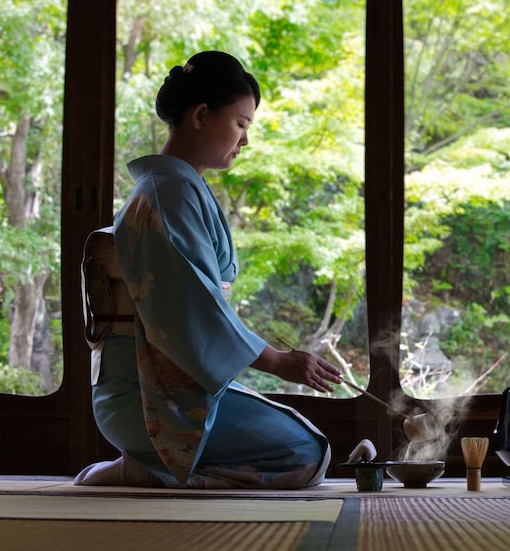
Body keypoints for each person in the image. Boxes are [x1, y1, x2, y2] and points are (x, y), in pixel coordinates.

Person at [74, 51, 343, 489]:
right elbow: (191, 308)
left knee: (307, 441)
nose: (245, 141)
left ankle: (151, 466)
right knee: (304, 453)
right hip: (146, 396)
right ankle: (144, 467)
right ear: (201, 115)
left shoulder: (175, 189)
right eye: (241, 124)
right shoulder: (169, 194)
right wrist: (278, 361)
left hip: (158, 385)